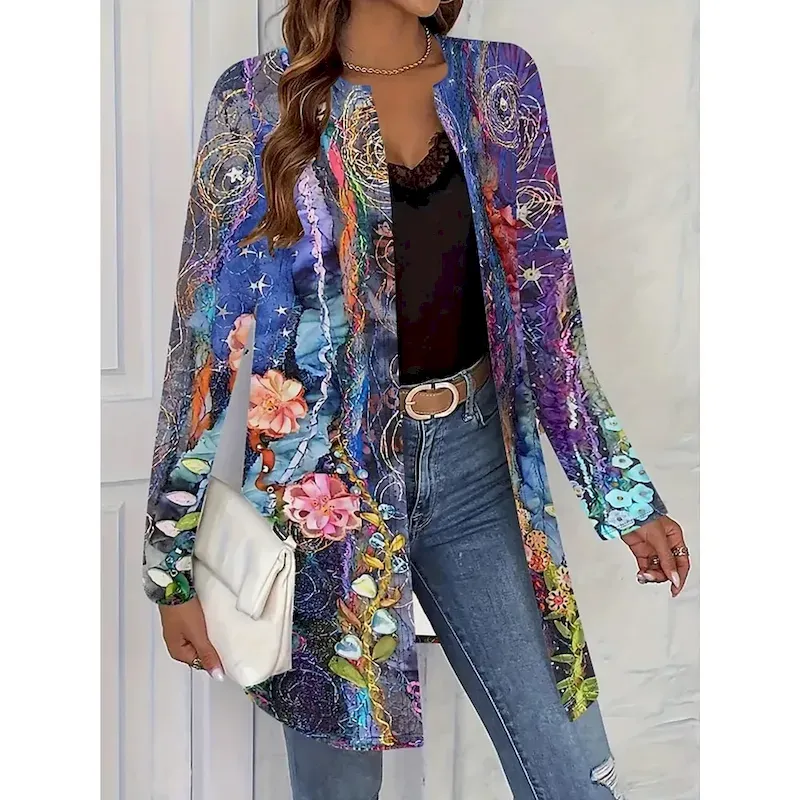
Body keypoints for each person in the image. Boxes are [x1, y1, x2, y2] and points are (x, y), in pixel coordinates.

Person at [143, 1, 691, 798]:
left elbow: (550, 317)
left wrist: (623, 493)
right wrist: (171, 568)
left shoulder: (499, 82)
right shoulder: (256, 100)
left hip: (476, 469)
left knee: (572, 775)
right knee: (338, 790)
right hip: (325, 498)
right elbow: (202, 340)